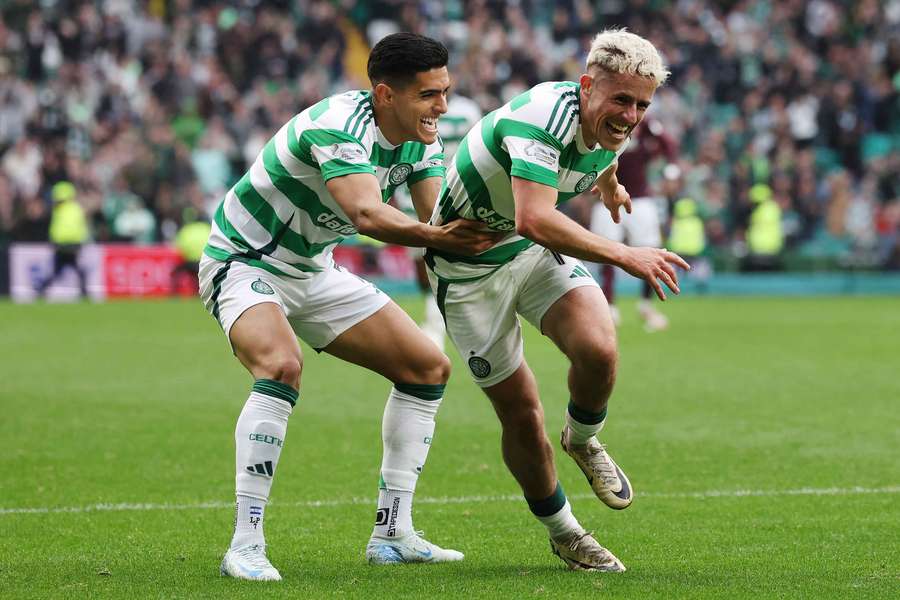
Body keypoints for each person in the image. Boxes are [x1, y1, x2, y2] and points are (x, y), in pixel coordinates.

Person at [199, 33, 497, 581]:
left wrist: (500, 229)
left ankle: (392, 534)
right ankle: (245, 544)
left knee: (427, 368)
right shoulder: (337, 126)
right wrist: (449, 240)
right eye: (430, 95)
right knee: (281, 367)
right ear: (386, 94)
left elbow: (435, 222)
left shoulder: (422, 139)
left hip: (313, 271)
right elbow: (367, 215)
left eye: (446, 91)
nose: (443, 107)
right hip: (245, 262)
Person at [425, 29, 689, 572]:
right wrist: (626, 254)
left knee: (599, 349)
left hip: (524, 250)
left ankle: (584, 440)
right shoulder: (541, 118)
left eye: (642, 104)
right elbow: (536, 218)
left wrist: (610, 185)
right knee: (522, 415)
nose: (631, 115)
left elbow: (603, 151)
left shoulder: (611, 123)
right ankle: (564, 531)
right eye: (621, 100)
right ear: (587, 85)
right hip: (469, 268)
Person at [394, 92, 483, 350]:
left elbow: (476, 150)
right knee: (422, 267)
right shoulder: (414, 108)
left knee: (444, 260)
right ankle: (436, 313)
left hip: (452, 195)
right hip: (413, 197)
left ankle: (439, 321)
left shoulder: (467, 111)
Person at [589, 118, 676, 331]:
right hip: (606, 195)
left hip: (640, 199)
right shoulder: (604, 118)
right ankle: (609, 307)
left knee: (652, 251)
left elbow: (669, 145)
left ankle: (646, 305)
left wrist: (670, 171)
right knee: (605, 253)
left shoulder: (647, 125)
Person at [37, 181, 89, 298]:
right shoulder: (74, 209)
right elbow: (79, 227)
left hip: (65, 244)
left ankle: (42, 289)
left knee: (60, 269)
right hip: (70, 244)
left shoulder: (59, 210)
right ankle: (84, 291)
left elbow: (59, 228)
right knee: (71, 268)